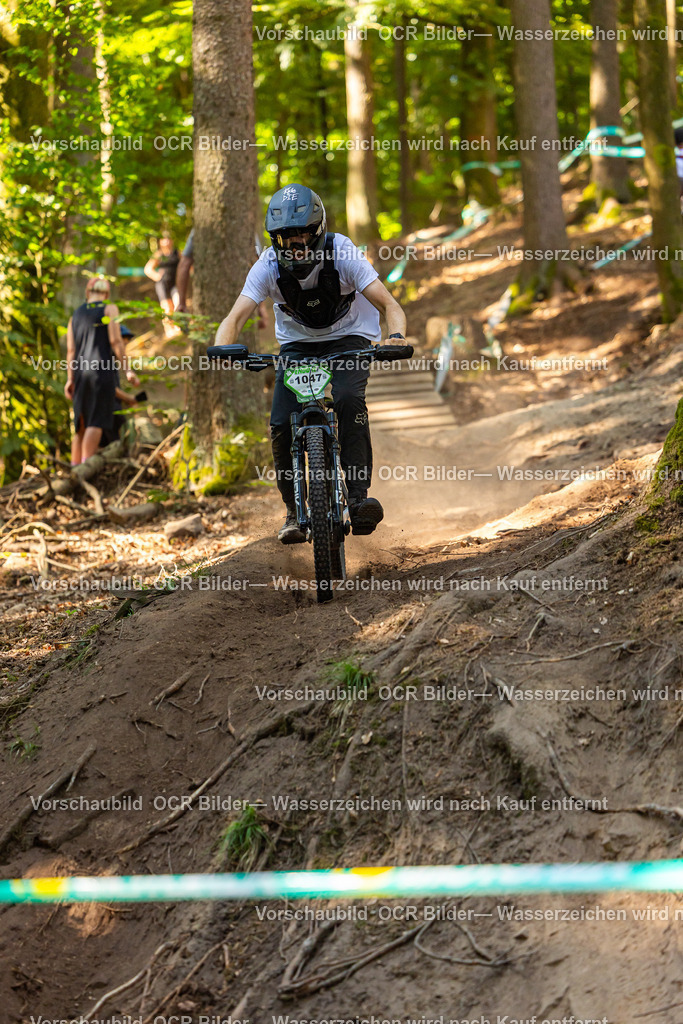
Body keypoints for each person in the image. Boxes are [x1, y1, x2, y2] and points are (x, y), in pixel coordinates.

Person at [214, 183, 408, 543]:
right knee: (280, 423)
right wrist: (222, 347)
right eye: (287, 237)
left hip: (351, 337)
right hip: (298, 345)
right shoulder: (267, 265)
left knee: (349, 399)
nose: (296, 244)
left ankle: (357, 498)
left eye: (303, 234)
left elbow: (390, 305)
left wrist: (394, 339)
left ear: (318, 230)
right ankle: (292, 511)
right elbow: (236, 315)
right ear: (275, 239)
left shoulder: (343, 252)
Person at [64, 277, 140, 464]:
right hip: (101, 370)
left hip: (81, 373)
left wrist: (70, 379)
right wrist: (128, 370)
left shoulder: (75, 316)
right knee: (96, 422)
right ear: (106, 294)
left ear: (88, 293)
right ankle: (85, 468)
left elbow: (71, 351)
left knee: (80, 425)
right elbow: (115, 341)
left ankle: (75, 468)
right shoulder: (109, 309)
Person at [144, 233, 180, 335]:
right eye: (164, 239)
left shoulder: (177, 253)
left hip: (175, 283)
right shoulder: (159, 254)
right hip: (162, 284)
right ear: (160, 242)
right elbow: (148, 269)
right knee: (166, 306)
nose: (167, 241)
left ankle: (177, 325)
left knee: (177, 302)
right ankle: (169, 329)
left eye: (169, 239)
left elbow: (184, 265)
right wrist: (157, 276)